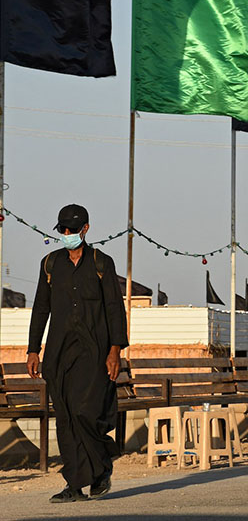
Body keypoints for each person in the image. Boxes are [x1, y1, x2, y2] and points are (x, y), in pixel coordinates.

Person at [27, 205, 127, 503]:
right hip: (59, 354)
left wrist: (115, 350)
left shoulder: (101, 263)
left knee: (86, 412)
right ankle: (75, 484)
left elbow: (114, 308)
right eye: (63, 230)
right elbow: (41, 308)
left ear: (85, 229)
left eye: (73, 230)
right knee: (66, 417)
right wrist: (34, 349)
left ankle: (101, 468)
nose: (68, 235)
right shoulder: (50, 264)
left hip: (94, 352)